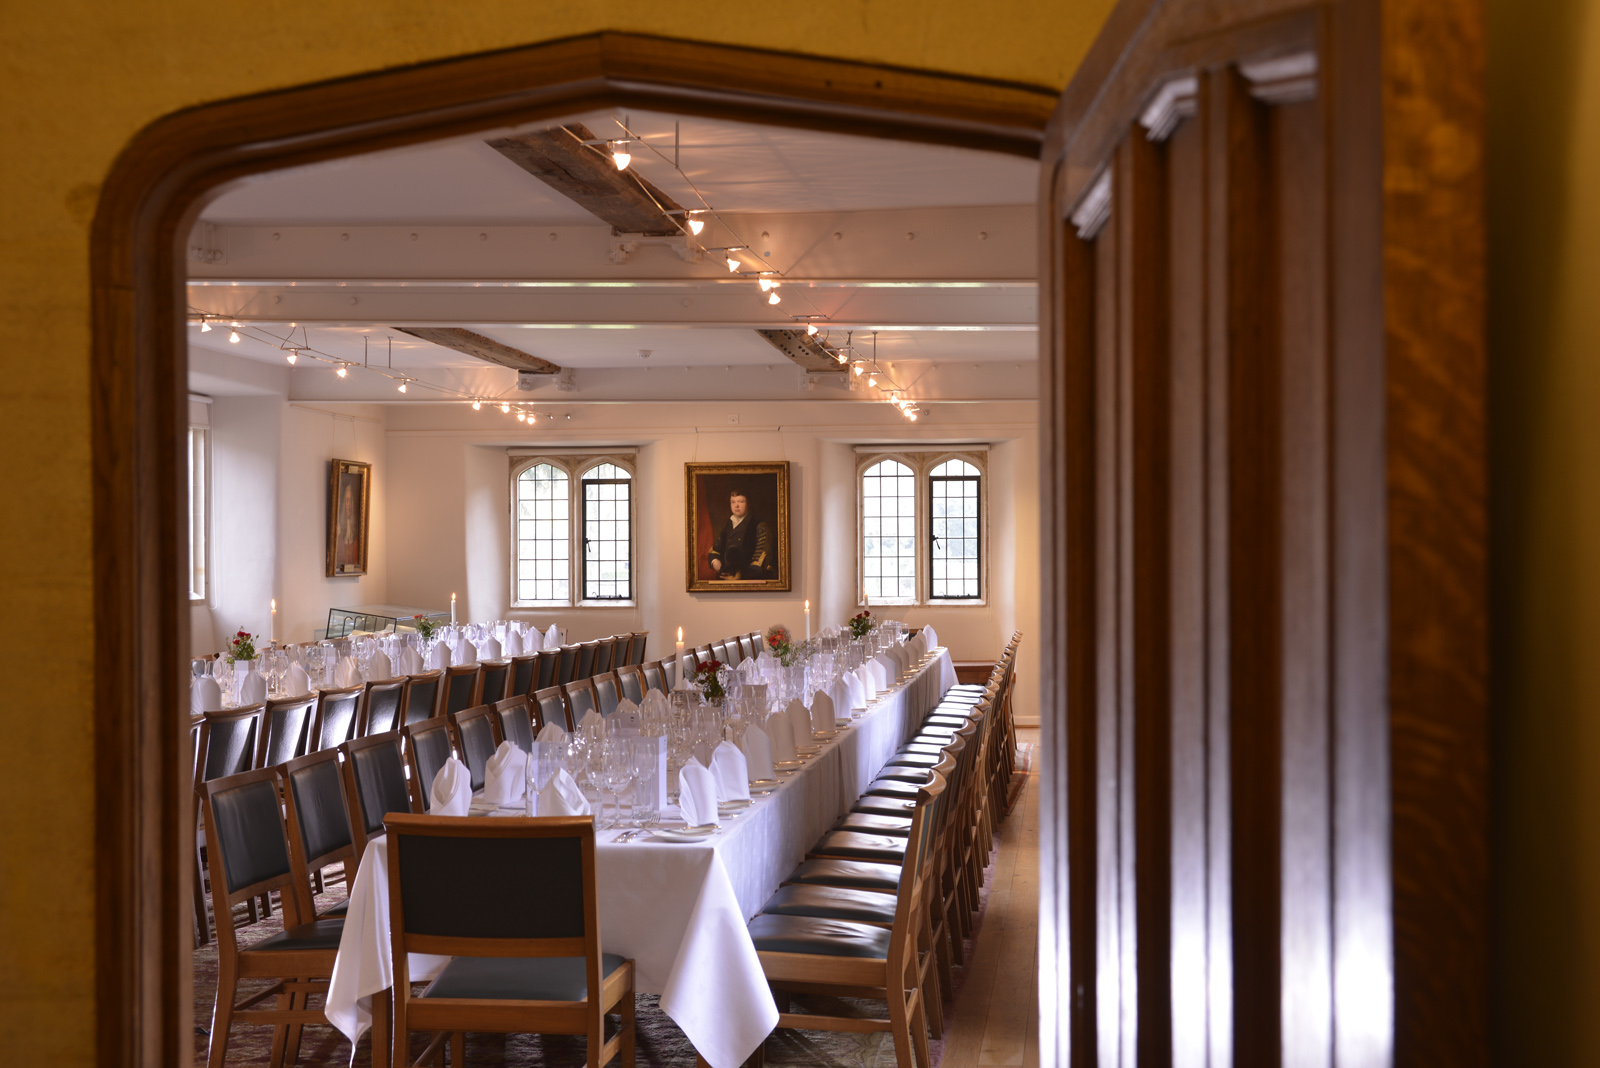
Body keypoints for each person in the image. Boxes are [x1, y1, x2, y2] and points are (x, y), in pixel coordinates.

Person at [708, 488, 774, 580]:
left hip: (747, 580)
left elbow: (760, 562)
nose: (736, 506)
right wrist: (715, 562)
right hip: (724, 578)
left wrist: (739, 575)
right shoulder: (729, 525)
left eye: (741, 502)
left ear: (749, 503)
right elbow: (715, 550)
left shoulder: (759, 525)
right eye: (733, 502)